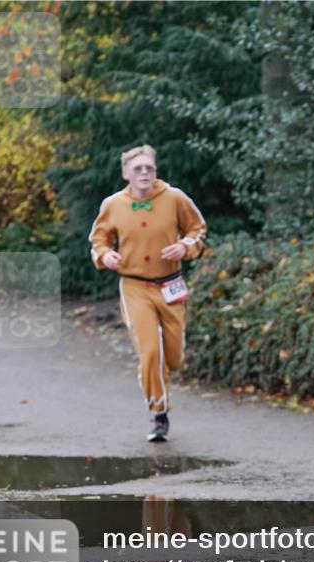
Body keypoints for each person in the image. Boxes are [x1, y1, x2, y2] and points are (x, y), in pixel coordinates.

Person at [89, 145, 206, 442]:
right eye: (138, 169)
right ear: (125, 173)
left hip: (170, 285)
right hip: (134, 286)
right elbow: (99, 240)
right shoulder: (112, 204)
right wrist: (104, 256)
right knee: (150, 352)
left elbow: (198, 229)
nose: (144, 173)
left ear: (155, 171)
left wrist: (186, 246)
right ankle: (159, 413)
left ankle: (163, 374)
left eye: (149, 168)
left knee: (174, 357)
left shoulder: (175, 198)